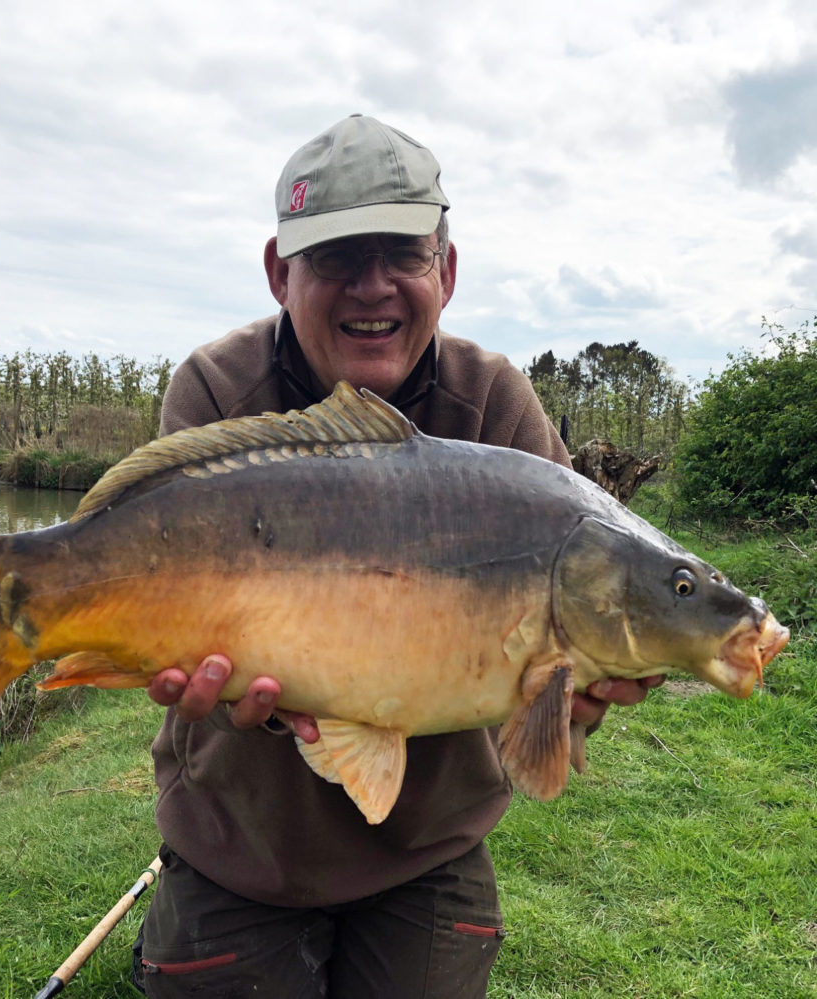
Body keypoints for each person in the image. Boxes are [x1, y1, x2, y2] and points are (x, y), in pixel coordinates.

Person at [134, 114, 663, 998]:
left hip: (428, 847)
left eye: (403, 255)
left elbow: (560, 690)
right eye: (338, 257)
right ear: (279, 272)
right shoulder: (219, 394)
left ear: (445, 272)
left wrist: (585, 692)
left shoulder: (495, 404)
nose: (371, 286)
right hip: (239, 838)